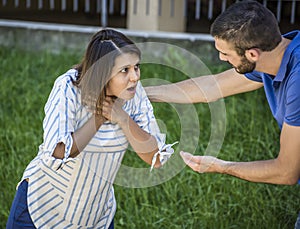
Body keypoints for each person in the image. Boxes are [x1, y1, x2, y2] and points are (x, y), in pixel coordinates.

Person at [145, 0, 300, 227]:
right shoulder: (276, 55)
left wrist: (220, 166)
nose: (221, 59)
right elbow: (212, 86)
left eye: (224, 53)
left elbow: (286, 171)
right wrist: (143, 93)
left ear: (252, 54)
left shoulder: (298, 81)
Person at [6, 29, 175, 228]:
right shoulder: (68, 87)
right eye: (124, 70)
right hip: (40, 210)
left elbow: (155, 157)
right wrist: (99, 118)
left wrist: (122, 118)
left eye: (136, 67)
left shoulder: (133, 94)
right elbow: (57, 152)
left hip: (95, 217)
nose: (135, 77)